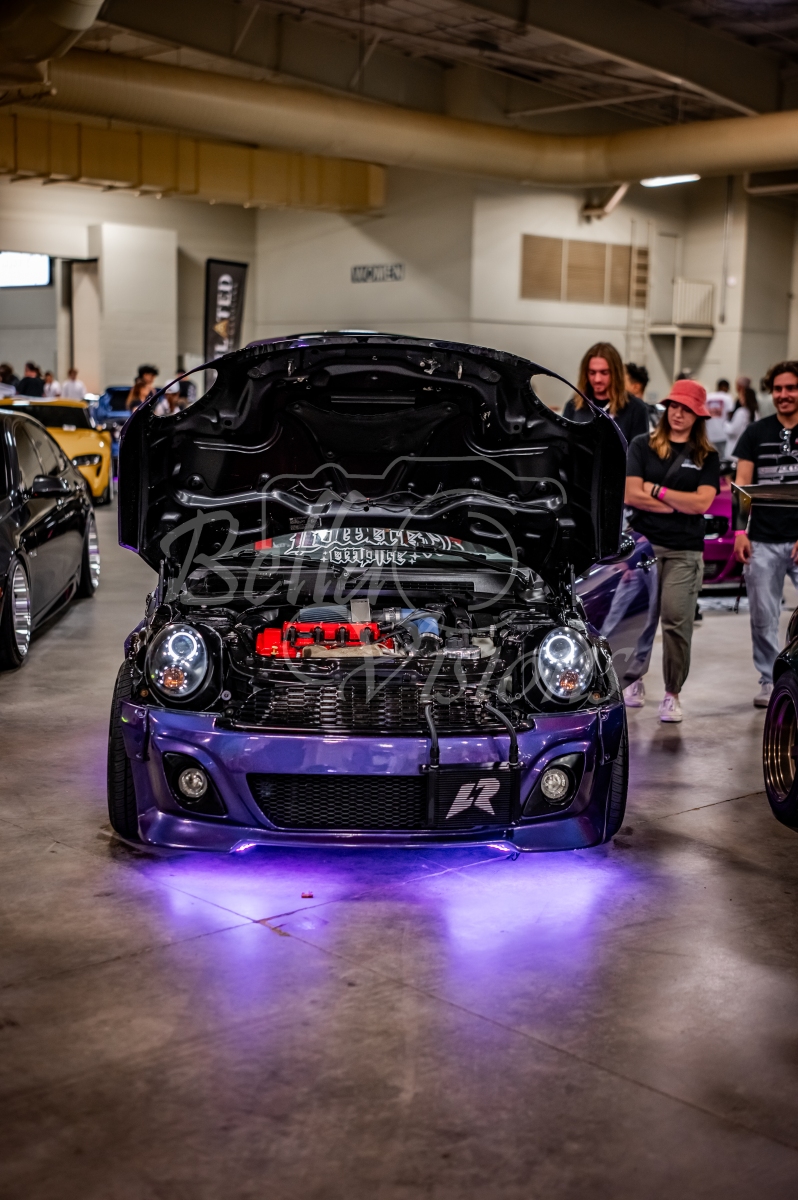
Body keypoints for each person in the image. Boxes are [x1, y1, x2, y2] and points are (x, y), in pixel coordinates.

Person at [624, 380, 720, 722]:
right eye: (674, 407)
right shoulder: (642, 445)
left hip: (685, 550)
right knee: (640, 618)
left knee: (676, 621)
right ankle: (633, 678)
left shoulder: (706, 455)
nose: (678, 414)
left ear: (698, 416)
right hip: (644, 546)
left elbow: (702, 503)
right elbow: (631, 494)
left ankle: (672, 693)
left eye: (687, 409)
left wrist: (657, 492)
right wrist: (678, 502)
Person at [733, 361, 798, 708]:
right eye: (778, 389)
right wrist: (738, 532)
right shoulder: (755, 433)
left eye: (791, 388)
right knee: (763, 618)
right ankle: (770, 679)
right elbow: (742, 486)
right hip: (762, 539)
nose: (784, 395)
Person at [563, 342, 649, 444]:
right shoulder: (573, 406)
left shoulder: (636, 409)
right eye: (592, 373)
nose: (597, 379)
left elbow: (638, 452)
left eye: (604, 373)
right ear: (585, 374)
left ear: (616, 373)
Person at [705, 379, 735, 461]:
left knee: (710, 459)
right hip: (723, 433)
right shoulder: (727, 397)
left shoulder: (708, 397)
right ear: (726, 387)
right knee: (723, 459)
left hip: (709, 433)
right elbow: (731, 414)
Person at [724, 379, 758, 451]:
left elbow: (732, 430)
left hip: (736, 446)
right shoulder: (755, 412)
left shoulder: (741, 412)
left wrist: (725, 423)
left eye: (741, 396)